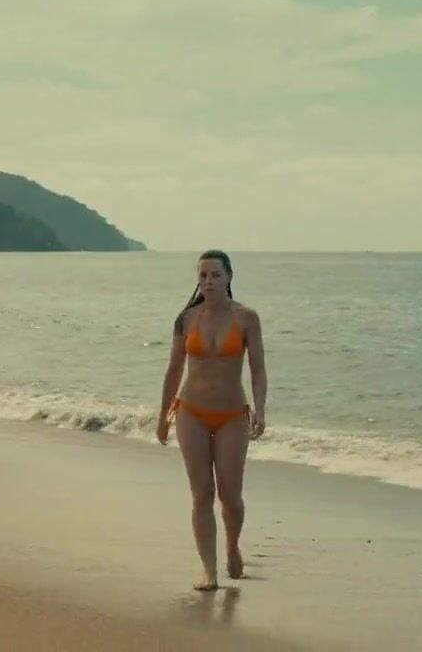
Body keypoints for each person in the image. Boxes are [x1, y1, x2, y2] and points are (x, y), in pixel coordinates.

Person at [156, 249, 267, 591]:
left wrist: (261, 409)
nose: (208, 282)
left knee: (230, 496)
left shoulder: (246, 318)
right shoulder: (187, 319)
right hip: (191, 412)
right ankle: (209, 570)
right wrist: (163, 416)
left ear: (229, 277)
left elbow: (258, 370)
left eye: (215, 275)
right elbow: (174, 370)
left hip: (232, 415)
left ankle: (232, 546)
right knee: (202, 494)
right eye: (203, 276)